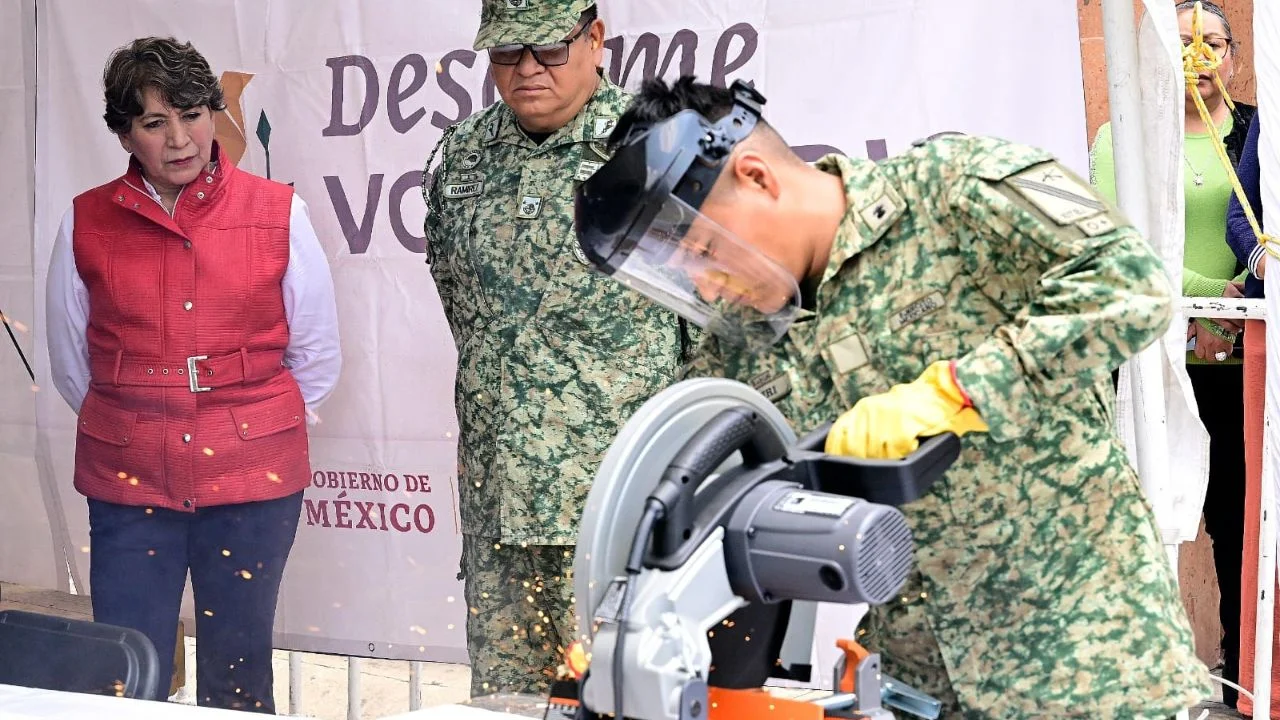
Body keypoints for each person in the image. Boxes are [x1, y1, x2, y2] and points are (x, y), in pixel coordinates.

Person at [573, 76, 1211, 717]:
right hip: (914, 684)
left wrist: (956, 392)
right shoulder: (740, 344)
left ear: (757, 175)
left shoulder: (950, 188)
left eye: (707, 251)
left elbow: (1130, 284)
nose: (708, 287)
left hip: (1090, 662)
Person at [45, 37, 341, 713]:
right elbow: (71, 365)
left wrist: (251, 428)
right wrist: (139, 418)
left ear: (214, 112)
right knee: (122, 671)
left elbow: (317, 358)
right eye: (154, 123)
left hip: (252, 480)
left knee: (238, 671)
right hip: (128, 481)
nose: (180, 139)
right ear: (126, 133)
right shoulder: (84, 221)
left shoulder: (278, 211)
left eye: (192, 114)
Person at [420, 1, 688, 696]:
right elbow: (466, 313)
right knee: (509, 704)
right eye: (507, 53)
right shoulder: (461, 158)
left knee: (627, 700)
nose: (527, 70)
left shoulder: (660, 150)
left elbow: (726, 330)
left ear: (595, 39)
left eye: (547, 49)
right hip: (500, 513)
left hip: (623, 509)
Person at [1090, 2, 1253, 704]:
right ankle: (1144, 687)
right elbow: (1122, 243)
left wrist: (1240, 303)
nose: (1200, 60)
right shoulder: (1123, 134)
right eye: (1184, 45)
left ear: (1233, 55)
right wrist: (1208, 303)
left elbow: (1262, 219)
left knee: (1245, 524)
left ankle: (1247, 685)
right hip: (1157, 357)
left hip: (1248, 360)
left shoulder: (1255, 132)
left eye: (1212, 44)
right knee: (1148, 522)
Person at [1224, 112, 1280, 717]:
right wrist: (1266, 263)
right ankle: (1268, 685)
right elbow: (1240, 217)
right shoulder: (1272, 118)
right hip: (1276, 325)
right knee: (1269, 507)